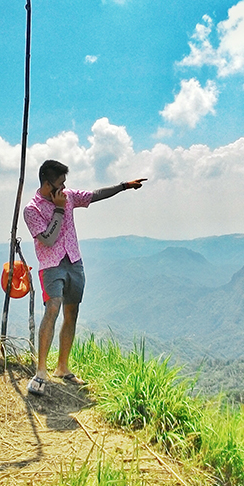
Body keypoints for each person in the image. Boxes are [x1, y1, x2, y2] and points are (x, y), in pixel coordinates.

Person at [23, 159, 147, 395]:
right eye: (60, 183)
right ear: (48, 185)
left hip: (74, 262)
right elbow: (47, 239)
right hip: (51, 266)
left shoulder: (68, 196)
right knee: (52, 309)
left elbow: (94, 195)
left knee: (72, 313)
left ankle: (62, 367)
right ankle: (40, 372)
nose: (65, 187)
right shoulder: (32, 209)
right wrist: (59, 209)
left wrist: (123, 186)